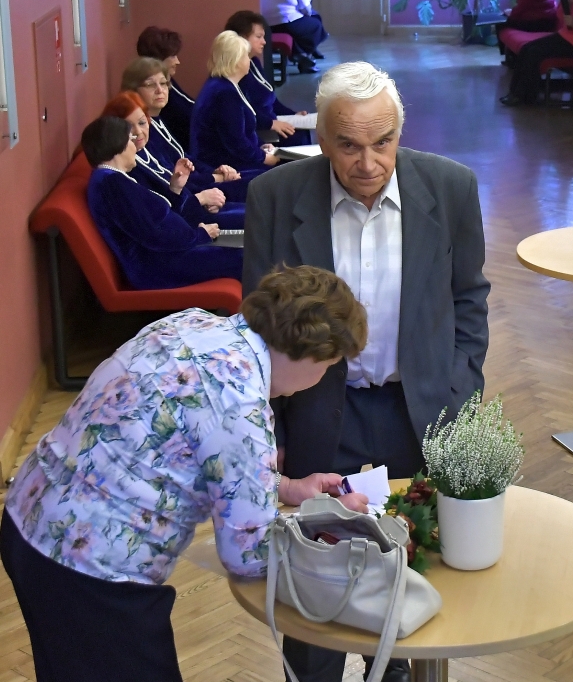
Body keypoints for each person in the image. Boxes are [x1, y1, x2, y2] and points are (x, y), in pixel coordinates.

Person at [242, 61, 490, 682]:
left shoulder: (451, 187)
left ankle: (404, 669)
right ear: (322, 138)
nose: (368, 163)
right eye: (349, 146)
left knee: (417, 573)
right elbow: (261, 323)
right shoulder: (275, 197)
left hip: (419, 412)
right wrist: (270, 429)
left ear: (400, 133)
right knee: (315, 587)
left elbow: (469, 296)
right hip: (320, 414)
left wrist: (459, 387)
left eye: (383, 142)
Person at [1, 265, 370, 682]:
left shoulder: (193, 322)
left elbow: (190, 451)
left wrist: (286, 487)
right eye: (329, 365)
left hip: (31, 518)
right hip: (92, 569)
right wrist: (326, 523)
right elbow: (249, 555)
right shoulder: (241, 404)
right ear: (311, 354)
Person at [81, 115, 242, 289]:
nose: (134, 146)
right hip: (161, 265)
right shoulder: (112, 183)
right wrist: (199, 235)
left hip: (173, 251)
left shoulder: (113, 179)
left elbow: (157, 218)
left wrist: (175, 189)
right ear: (118, 144)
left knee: (245, 243)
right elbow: (153, 234)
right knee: (247, 255)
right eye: (130, 139)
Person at [99, 91, 244, 231]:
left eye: (142, 123)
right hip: (190, 225)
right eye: (129, 127)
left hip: (196, 210)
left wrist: (194, 192)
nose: (138, 132)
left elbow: (175, 195)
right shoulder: (128, 168)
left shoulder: (147, 148)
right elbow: (160, 219)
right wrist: (201, 198)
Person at [121, 56, 255, 201]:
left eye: (163, 83)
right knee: (261, 185)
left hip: (201, 187)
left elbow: (185, 158)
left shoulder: (157, 120)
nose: (160, 90)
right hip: (192, 197)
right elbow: (171, 178)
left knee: (260, 179)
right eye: (150, 85)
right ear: (133, 90)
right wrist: (216, 178)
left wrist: (216, 171)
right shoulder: (142, 134)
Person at [192, 31, 280, 174]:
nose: (249, 60)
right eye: (246, 56)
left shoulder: (222, 85)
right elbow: (236, 142)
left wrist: (261, 146)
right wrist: (263, 157)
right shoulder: (225, 94)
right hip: (224, 166)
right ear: (236, 60)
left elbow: (242, 133)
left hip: (232, 159)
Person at [224, 9, 312, 147]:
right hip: (258, 128)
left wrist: (293, 115)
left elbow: (271, 99)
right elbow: (243, 112)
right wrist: (270, 123)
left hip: (270, 120)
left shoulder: (254, 62)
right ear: (242, 38)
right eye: (258, 37)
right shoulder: (235, 71)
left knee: (301, 130)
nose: (264, 42)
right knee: (295, 137)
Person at [500, 0, 573, 106]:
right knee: (526, 48)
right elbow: (561, 17)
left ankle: (524, 96)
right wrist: (569, 4)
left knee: (533, 53)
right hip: (563, 36)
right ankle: (514, 93)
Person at [137, 26, 195, 151]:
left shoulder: (170, 81)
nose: (178, 62)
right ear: (158, 59)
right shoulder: (158, 97)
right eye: (173, 56)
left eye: (163, 84)